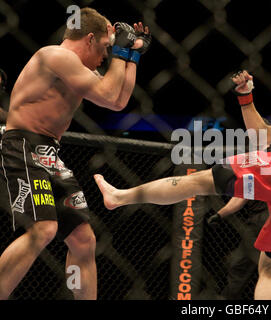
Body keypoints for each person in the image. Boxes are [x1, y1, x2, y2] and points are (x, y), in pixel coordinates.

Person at [94, 51, 271, 300]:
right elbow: (262, 135)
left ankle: (121, 197)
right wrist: (246, 98)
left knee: (201, 180)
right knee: (269, 265)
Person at [0, 7, 151, 300]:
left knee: (83, 240)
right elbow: (109, 92)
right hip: (22, 146)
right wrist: (121, 51)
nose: (106, 57)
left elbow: (117, 101)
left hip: (49, 153)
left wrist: (132, 56)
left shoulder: (83, 72)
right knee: (43, 229)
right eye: (106, 48)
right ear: (90, 38)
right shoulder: (54, 56)